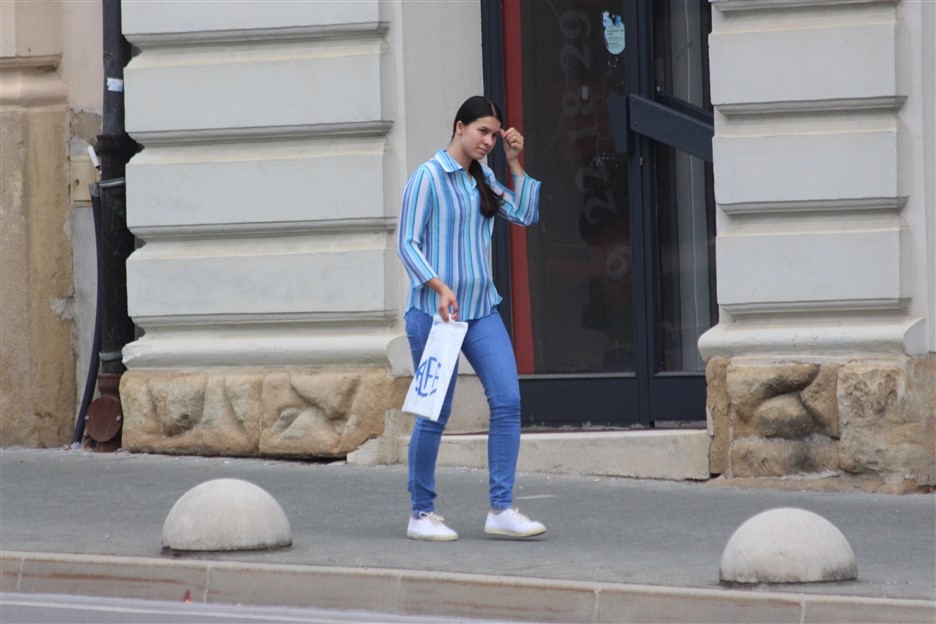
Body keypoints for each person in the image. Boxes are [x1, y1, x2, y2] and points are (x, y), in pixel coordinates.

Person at [397, 95, 546, 541]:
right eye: (482, 131)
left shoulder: (483, 178)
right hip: (434, 313)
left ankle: (501, 509)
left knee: (508, 401)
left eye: (494, 135)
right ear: (459, 127)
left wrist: (514, 163)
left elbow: (525, 215)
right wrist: (439, 286)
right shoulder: (427, 177)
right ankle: (421, 514)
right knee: (435, 411)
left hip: (481, 310)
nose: (488, 141)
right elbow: (407, 243)